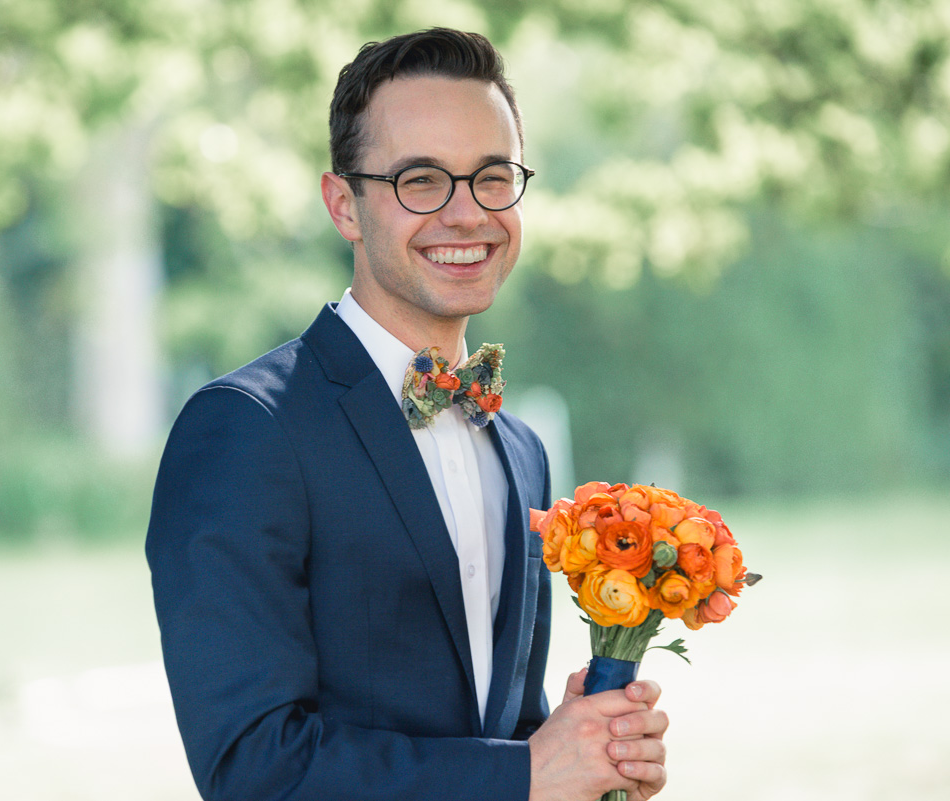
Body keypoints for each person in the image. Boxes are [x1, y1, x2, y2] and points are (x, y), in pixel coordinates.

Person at [146, 28, 669, 801]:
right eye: (421, 180)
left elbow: (496, 739)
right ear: (344, 205)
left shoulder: (520, 449)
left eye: (493, 177)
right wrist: (523, 772)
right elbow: (253, 767)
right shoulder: (246, 428)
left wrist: (579, 747)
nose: (468, 214)